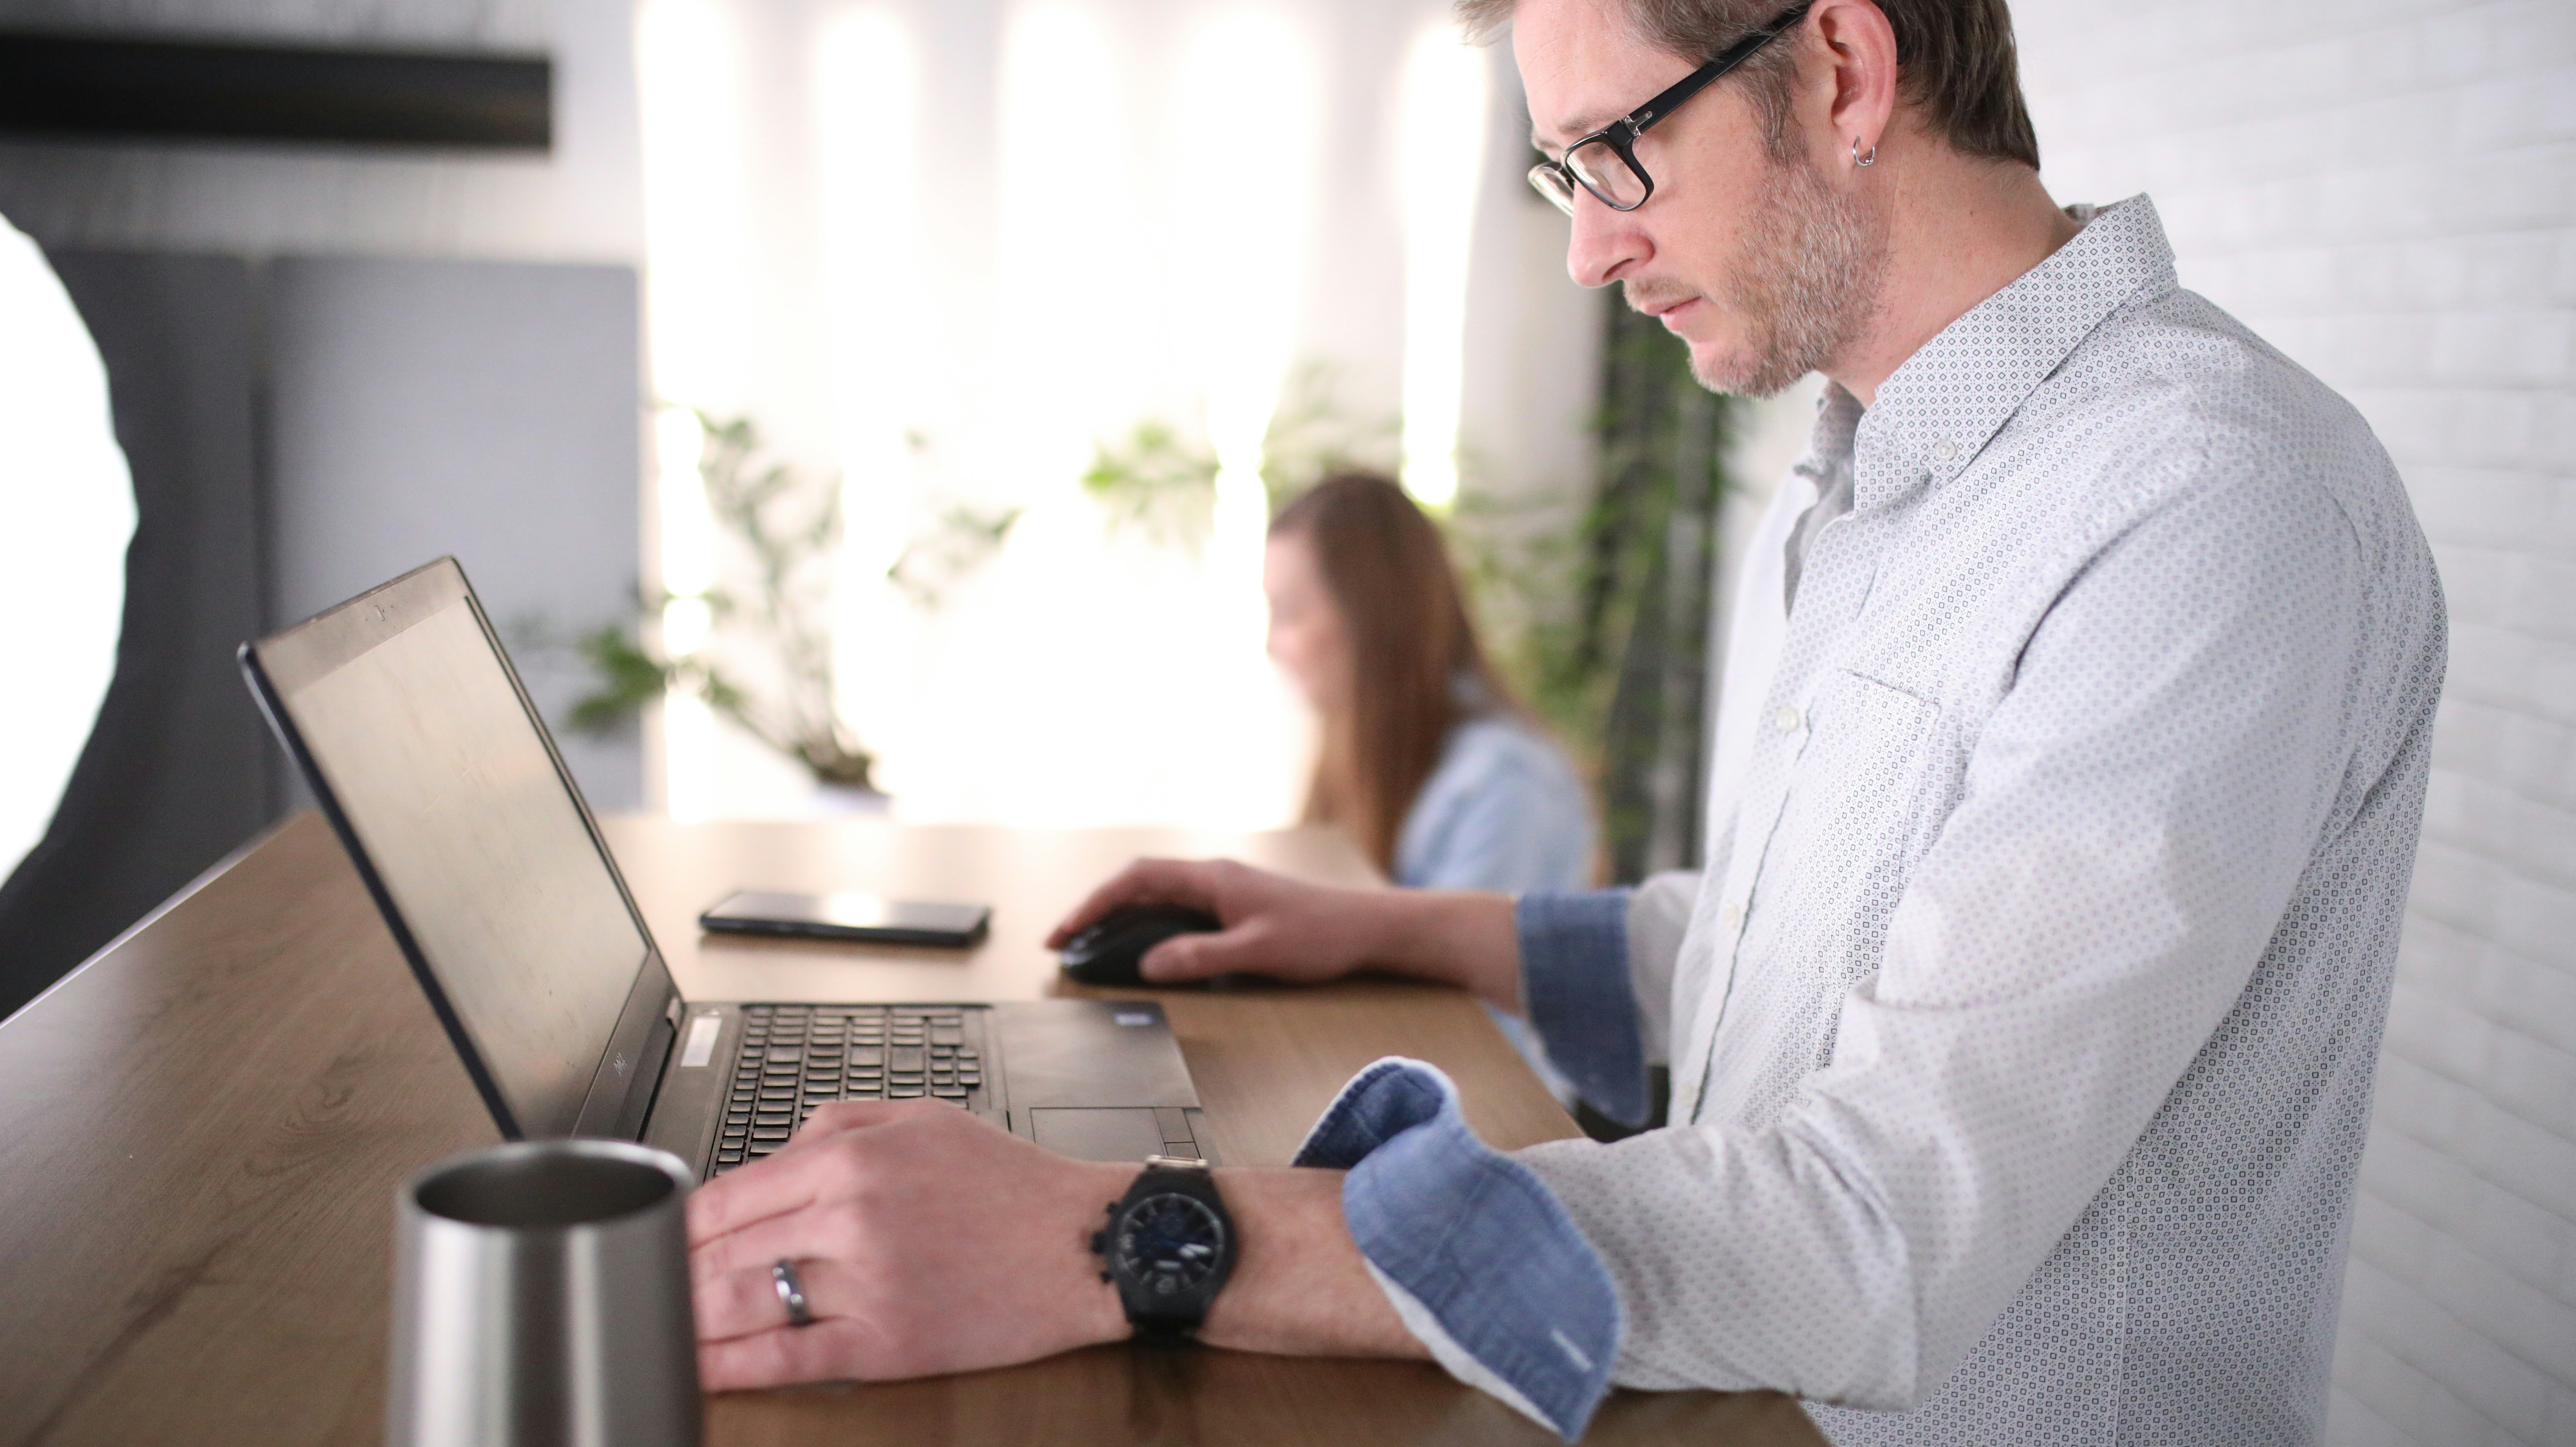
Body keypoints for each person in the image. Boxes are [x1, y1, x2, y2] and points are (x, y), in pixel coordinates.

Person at [684, 1, 2444, 1442]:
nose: (1593, 248)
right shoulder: (1854, 485)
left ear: (1840, 67)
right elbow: (1781, 947)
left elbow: (1874, 1216)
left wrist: (1119, 1232)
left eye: (1621, 152)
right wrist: (1376, 920)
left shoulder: (2206, 507)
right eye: (1565, 172)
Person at [1263, 472, 1592, 1101]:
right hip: (1391, 1089)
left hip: (1491, 1124)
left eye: (1292, 613)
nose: (1272, 645)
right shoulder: (1367, 757)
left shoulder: (1504, 783)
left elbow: (1457, 1031)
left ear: (1373, 614)